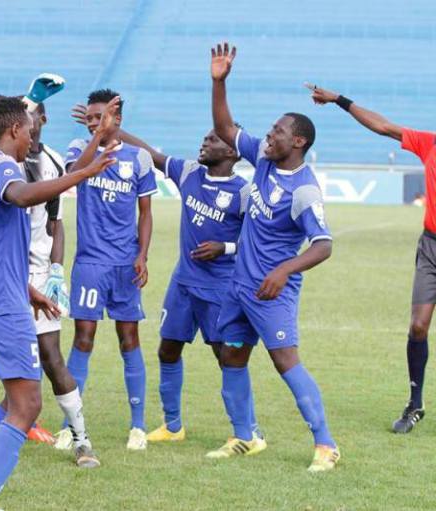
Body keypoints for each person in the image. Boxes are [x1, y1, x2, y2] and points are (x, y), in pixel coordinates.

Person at [0, 96, 116, 511]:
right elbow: (21, 196)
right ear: (15, 130)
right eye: (28, 129)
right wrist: (89, 172)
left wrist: (29, 290)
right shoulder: (3, 165)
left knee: (13, 399)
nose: (31, 136)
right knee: (28, 402)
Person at [207, 42, 339, 472]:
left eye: (278, 131)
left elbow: (323, 245)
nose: (269, 135)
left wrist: (284, 269)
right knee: (232, 355)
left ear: (297, 141)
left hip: (271, 290)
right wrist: (219, 82)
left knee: (285, 362)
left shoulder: (304, 188)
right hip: (240, 285)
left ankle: (326, 445)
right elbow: (226, 129)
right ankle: (245, 435)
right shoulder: (263, 161)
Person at [109, 123, 263, 445]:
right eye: (205, 136)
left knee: (226, 358)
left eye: (212, 139)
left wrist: (225, 248)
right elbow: (151, 155)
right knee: (167, 350)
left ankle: (250, 430)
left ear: (233, 152)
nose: (204, 141)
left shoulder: (245, 192)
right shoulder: (189, 173)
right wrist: (115, 130)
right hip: (183, 283)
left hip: (220, 288)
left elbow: (257, 241)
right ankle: (173, 426)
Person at [306, 82, 436, 434]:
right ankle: (415, 403)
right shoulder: (430, 143)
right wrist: (339, 101)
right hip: (431, 248)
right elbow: (383, 126)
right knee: (418, 326)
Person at [63, 90, 158, 450]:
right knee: (83, 337)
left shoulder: (139, 159)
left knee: (129, 339)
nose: (92, 121)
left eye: (99, 116)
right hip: (89, 262)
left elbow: (146, 213)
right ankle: (69, 425)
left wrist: (143, 255)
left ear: (117, 117)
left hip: (124, 264)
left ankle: (138, 426)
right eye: (89, 117)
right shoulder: (80, 148)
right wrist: (97, 140)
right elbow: (73, 175)